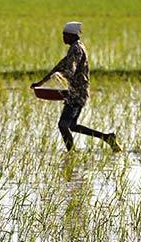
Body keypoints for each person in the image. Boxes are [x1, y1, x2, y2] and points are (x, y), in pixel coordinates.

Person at [31, 21, 122, 152]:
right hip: (77, 92)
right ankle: (107, 138)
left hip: (77, 93)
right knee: (71, 125)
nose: (63, 37)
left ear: (72, 35)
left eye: (65, 35)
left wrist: (61, 78)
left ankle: (71, 154)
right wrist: (41, 83)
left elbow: (70, 69)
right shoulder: (75, 47)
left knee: (63, 125)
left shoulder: (76, 49)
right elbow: (59, 66)